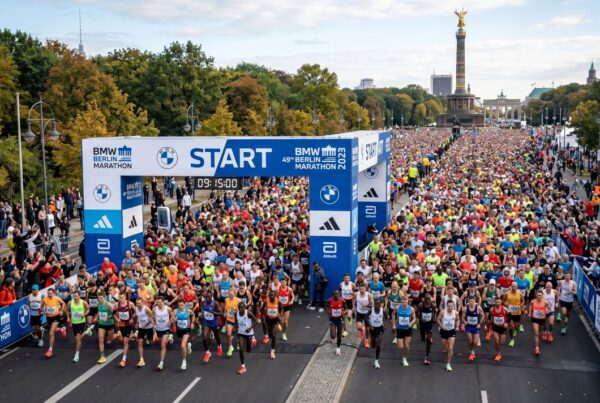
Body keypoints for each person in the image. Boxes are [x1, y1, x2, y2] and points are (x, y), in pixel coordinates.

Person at [41, 287, 66, 358]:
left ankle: (50, 350)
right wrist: (42, 310)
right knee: (54, 330)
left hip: (56, 317)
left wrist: (61, 310)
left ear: (53, 293)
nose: (49, 295)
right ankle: (62, 329)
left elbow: (63, 303)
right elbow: (42, 306)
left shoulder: (57, 298)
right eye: (48, 293)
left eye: (51, 293)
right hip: (48, 318)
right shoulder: (45, 299)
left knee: (51, 333)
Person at [66, 290, 90, 363]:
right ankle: (86, 332)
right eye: (74, 296)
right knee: (77, 337)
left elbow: (88, 308)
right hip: (74, 323)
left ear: (79, 296)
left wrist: (85, 314)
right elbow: (66, 310)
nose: (75, 297)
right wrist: (68, 317)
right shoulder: (70, 303)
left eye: (76, 296)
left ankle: (77, 355)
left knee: (77, 338)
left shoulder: (83, 302)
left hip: (81, 322)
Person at [392, 295, 416, 367]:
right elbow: (393, 314)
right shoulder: (397, 308)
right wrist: (393, 324)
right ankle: (403, 354)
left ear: (408, 301)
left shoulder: (411, 309)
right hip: (399, 329)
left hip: (407, 329)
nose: (404, 304)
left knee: (407, 345)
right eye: (403, 302)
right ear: (401, 302)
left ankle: (404, 358)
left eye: (406, 302)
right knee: (400, 347)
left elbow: (415, 318)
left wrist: (411, 323)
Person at [172, 299, 195, 370]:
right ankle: (188, 345)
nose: (180, 306)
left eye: (182, 305)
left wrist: (192, 323)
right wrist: (174, 325)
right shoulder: (175, 311)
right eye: (179, 305)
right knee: (184, 344)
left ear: (185, 304)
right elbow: (172, 320)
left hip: (186, 330)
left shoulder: (188, 311)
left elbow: (193, 315)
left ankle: (184, 361)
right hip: (179, 330)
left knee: (182, 345)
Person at [235, 302, 257, 374]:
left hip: (249, 333)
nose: (240, 309)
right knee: (241, 349)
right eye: (239, 308)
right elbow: (236, 322)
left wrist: (250, 328)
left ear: (245, 307)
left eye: (241, 307)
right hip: (241, 332)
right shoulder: (236, 314)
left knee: (248, 350)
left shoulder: (248, 313)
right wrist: (236, 328)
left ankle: (253, 339)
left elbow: (257, 321)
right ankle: (243, 366)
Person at [201, 290, 223, 363]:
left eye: (208, 297)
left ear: (211, 297)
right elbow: (202, 309)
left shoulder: (215, 303)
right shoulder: (203, 302)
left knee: (217, 336)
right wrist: (202, 312)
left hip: (214, 323)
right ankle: (207, 352)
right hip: (206, 322)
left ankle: (219, 347)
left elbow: (221, 313)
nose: (207, 299)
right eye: (206, 297)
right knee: (204, 338)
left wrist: (214, 312)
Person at [437, 299, 459, 372]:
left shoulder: (456, 313)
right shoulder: (443, 312)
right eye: (449, 306)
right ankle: (446, 348)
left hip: (452, 331)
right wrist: (441, 326)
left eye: (451, 306)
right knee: (444, 346)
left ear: (453, 306)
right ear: (447, 306)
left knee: (451, 347)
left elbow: (457, 320)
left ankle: (448, 363)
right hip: (444, 331)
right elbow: (437, 319)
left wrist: (457, 326)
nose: (450, 307)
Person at [153, 296, 173, 371]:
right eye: (157, 302)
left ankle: (161, 363)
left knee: (163, 345)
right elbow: (152, 317)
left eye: (160, 302)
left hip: (166, 329)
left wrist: (170, 322)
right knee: (159, 342)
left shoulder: (168, 309)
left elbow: (172, 315)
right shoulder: (154, 309)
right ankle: (170, 338)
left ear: (163, 302)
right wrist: (154, 324)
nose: (158, 303)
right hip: (158, 329)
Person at [95, 291, 116, 364]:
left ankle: (118, 334)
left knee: (111, 338)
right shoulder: (98, 304)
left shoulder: (108, 304)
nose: (99, 300)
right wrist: (96, 317)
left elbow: (114, 312)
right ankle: (102, 356)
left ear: (104, 298)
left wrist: (108, 317)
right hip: (101, 324)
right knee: (100, 339)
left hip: (109, 323)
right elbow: (99, 312)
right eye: (98, 298)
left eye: (101, 298)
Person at [462, 295, 485, 361]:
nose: (471, 302)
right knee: (470, 341)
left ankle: (474, 345)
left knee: (475, 343)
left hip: (475, 326)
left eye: (473, 301)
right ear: (468, 301)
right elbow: (463, 317)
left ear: (475, 301)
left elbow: (483, 316)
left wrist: (479, 323)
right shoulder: (465, 308)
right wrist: (464, 321)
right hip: (468, 326)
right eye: (470, 301)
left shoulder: (478, 308)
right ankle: (472, 352)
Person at [115, 293, 135, 367]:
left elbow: (136, 311)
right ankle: (134, 335)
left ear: (125, 297)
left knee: (125, 342)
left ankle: (123, 360)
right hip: (121, 324)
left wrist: (132, 318)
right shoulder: (117, 305)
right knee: (124, 340)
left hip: (128, 324)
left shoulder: (130, 304)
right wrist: (117, 319)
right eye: (119, 298)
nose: (121, 299)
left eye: (122, 298)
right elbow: (114, 313)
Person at [133, 297, 154, 368]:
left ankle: (155, 336)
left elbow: (152, 317)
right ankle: (141, 360)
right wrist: (137, 323)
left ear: (142, 302)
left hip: (149, 327)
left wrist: (147, 324)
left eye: (139, 303)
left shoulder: (146, 309)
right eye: (136, 303)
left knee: (151, 341)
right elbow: (138, 317)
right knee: (140, 342)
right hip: (141, 327)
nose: (137, 304)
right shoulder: (136, 309)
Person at [416, 293, 436, 365]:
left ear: (430, 299)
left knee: (428, 339)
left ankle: (427, 356)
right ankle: (424, 336)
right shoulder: (420, 305)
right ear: (424, 299)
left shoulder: (433, 305)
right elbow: (417, 314)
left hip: (429, 324)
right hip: (422, 323)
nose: (427, 300)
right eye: (426, 299)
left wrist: (434, 318)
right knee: (423, 338)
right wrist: (421, 319)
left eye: (429, 299)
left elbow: (434, 312)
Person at [529, 290, 551, 357]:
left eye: (540, 295)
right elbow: (530, 305)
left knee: (539, 332)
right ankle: (537, 348)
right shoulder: (533, 301)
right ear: (536, 295)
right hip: (534, 319)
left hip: (542, 319)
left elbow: (549, 308)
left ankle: (537, 337)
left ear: (542, 296)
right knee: (536, 333)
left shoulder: (545, 302)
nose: (539, 296)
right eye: (538, 295)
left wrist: (548, 311)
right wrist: (530, 312)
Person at [504, 282, 525, 347]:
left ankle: (515, 330)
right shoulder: (507, 293)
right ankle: (512, 339)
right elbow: (503, 300)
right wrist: (505, 304)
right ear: (511, 286)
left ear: (517, 287)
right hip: (510, 312)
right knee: (511, 327)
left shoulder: (520, 293)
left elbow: (523, 301)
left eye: (515, 286)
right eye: (512, 286)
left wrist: (520, 305)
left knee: (516, 326)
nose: (514, 288)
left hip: (517, 312)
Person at [354, 283, 374, 348]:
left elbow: (372, 305)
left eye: (363, 289)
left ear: (365, 289)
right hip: (359, 312)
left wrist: (367, 305)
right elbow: (353, 299)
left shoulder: (369, 295)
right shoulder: (356, 294)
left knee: (368, 329)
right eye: (361, 289)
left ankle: (366, 341)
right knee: (358, 327)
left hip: (366, 313)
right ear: (359, 289)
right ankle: (362, 329)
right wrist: (353, 307)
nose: (362, 290)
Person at [489, 296, 508, 361]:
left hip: (502, 327)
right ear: (494, 302)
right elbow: (489, 317)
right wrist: (490, 324)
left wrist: (506, 323)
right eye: (496, 302)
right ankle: (498, 353)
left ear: (501, 302)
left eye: (499, 302)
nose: (497, 303)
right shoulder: (491, 309)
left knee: (501, 343)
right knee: (497, 341)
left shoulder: (505, 309)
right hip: (495, 327)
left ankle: (498, 350)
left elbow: (510, 316)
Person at [327, 289, 345, 356]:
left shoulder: (342, 300)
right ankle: (332, 335)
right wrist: (328, 312)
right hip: (332, 319)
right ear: (333, 295)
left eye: (337, 294)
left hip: (339, 319)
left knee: (339, 335)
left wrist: (343, 312)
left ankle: (338, 348)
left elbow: (346, 308)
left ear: (339, 294)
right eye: (334, 294)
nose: (336, 295)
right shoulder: (330, 300)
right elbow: (325, 305)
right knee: (333, 336)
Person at [263, 289, 280, 359]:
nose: (272, 296)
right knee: (270, 335)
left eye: (273, 295)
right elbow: (261, 309)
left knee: (273, 334)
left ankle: (272, 351)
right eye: (270, 295)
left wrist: (280, 316)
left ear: (275, 295)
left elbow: (281, 309)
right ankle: (272, 348)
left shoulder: (278, 301)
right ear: (269, 296)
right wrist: (264, 315)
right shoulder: (266, 301)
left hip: (275, 320)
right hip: (268, 320)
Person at [368, 299, 385, 368]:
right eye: (376, 304)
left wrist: (384, 325)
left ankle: (376, 361)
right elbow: (365, 317)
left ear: (380, 305)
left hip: (380, 329)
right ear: (374, 305)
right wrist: (370, 325)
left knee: (378, 344)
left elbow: (386, 317)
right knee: (373, 345)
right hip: (372, 329)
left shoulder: (382, 310)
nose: (377, 306)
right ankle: (372, 340)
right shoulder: (371, 310)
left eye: (379, 304)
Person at [224, 288, 240, 357]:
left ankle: (239, 342)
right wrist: (225, 312)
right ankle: (230, 347)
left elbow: (241, 310)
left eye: (231, 294)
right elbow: (226, 307)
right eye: (229, 294)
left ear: (234, 294)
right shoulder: (226, 300)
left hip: (237, 320)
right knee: (228, 333)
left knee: (239, 333)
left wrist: (236, 309)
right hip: (229, 319)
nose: (230, 295)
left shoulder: (238, 300)